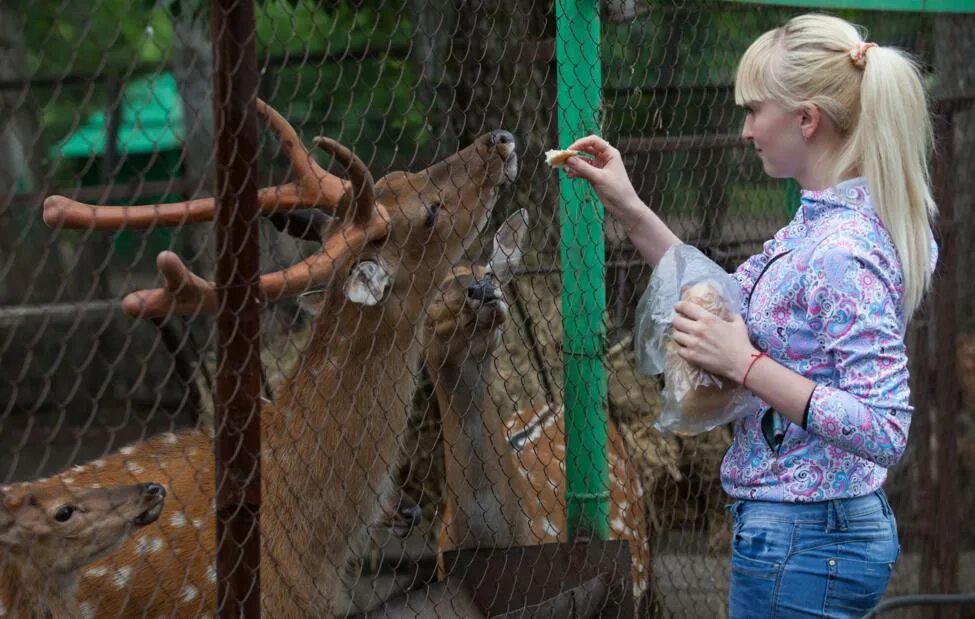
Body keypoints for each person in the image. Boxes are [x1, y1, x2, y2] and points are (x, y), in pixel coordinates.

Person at [562, 13, 938, 619]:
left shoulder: (840, 251)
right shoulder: (819, 226)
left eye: (754, 109)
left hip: (809, 540)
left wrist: (745, 362)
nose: (745, 130)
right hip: (802, 536)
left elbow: (883, 427)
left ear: (806, 120)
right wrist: (628, 208)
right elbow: (721, 295)